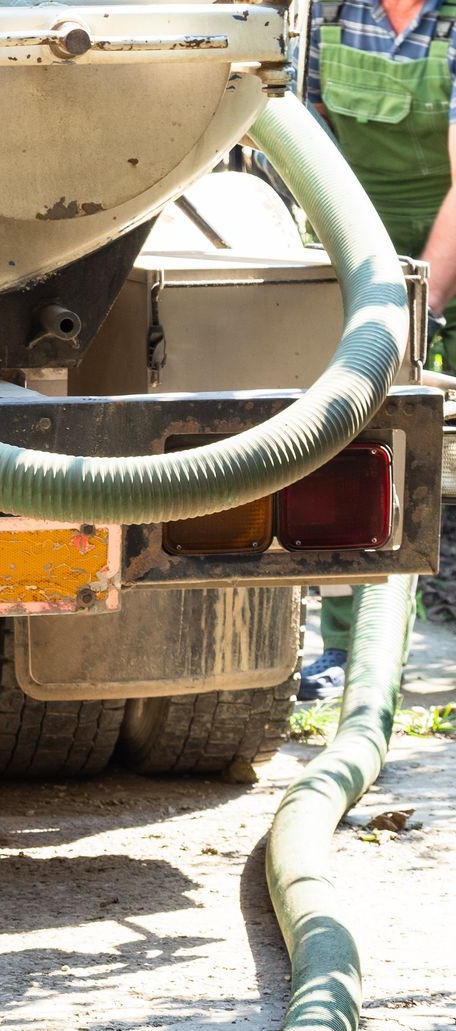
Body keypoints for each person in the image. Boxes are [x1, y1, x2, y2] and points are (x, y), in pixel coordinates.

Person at [301, 0, 450, 699]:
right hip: (360, 247)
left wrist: (418, 308)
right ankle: (345, 651)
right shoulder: (323, 14)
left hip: (442, 244)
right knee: (359, 447)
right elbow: (295, 148)